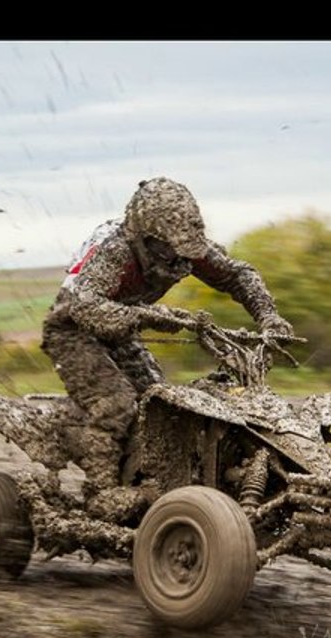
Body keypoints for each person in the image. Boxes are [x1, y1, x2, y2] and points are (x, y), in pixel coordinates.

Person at [41, 177, 292, 523]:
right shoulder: (116, 251)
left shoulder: (184, 247)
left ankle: (151, 481)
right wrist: (150, 315)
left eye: (183, 250)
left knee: (159, 404)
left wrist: (269, 316)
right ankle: (100, 495)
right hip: (72, 332)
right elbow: (85, 306)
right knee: (116, 403)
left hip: (124, 329)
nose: (179, 261)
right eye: (168, 251)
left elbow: (237, 274)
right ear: (145, 237)